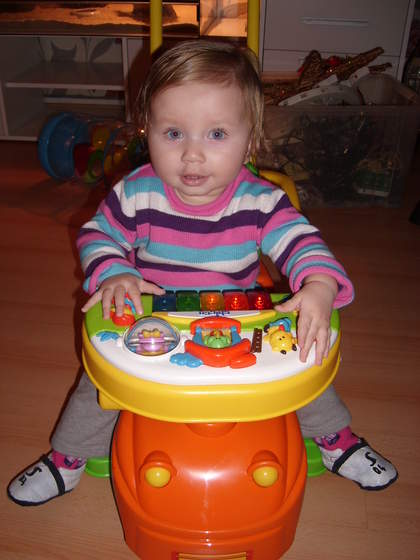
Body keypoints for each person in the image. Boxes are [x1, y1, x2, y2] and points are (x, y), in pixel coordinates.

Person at [8, 40, 397, 507]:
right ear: (147, 130)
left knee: (306, 354)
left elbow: (302, 242)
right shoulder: (135, 192)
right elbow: (98, 235)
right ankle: (68, 457)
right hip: (152, 317)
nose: (192, 155)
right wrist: (113, 272)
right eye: (174, 133)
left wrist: (319, 284)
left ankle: (335, 439)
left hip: (238, 317)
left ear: (250, 140)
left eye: (216, 134)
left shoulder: (261, 201)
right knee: (101, 378)